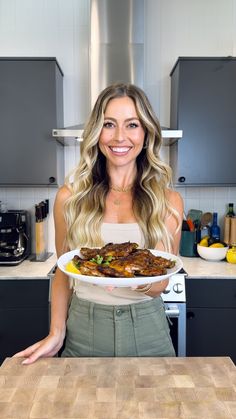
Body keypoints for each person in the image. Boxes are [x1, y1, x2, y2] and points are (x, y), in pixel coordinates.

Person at [14, 82, 183, 364]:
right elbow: (64, 272)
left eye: (132, 125)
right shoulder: (70, 198)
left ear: (146, 132)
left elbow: (160, 283)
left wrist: (122, 277)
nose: (119, 137)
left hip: (148, 334)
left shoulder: (167, 202)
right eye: (108, 124)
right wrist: (56, 332)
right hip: (84, 329)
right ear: (96, 131)